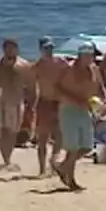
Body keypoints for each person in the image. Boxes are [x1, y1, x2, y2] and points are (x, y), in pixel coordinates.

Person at [53, 42, 101, 190]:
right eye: (87, 55)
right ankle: (71, 181)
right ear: (80, 55)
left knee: (86, 147)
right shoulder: (68, 68)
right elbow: (57, 86)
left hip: (85, 108)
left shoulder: (93, 69)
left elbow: (100, 86)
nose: (90, 58)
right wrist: (76, 99)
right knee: (72, 148)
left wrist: (104, 99)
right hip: (69, 108)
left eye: (91, 56)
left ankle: (62, 167)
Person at [0, 38, 36, 169]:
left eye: (13, 48)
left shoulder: (23, 65)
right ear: (3, 49)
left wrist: (32, 103)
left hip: (16, 100)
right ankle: (6, 160)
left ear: (17, 49)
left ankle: (7, 157)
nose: (10, 51)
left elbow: (31, 85)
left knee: (14, 131)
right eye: (8, 48)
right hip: (1, 101)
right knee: (4, 130)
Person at [31, 37, 66, 177]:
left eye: (51, 48)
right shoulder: (37, 67)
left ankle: (53, 162)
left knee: (60, 136)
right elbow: (30, 86)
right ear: (41, 50)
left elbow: (71, 74)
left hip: (58, 102)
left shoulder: (61, 62)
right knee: (42, 138)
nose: (49, 51)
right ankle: (41, 169)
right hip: (44, 102)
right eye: (46, 48)